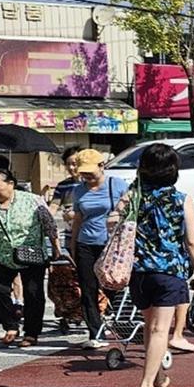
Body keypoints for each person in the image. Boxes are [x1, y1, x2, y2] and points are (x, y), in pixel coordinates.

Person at [108, 144, 194, 387]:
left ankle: (159, 378)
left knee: (151, 328)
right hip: (168, 271)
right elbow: (193, 241)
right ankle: (146, 386)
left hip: (138, 272)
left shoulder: (132, 196)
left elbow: (112, 222)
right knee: (160, 330)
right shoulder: (181, 199)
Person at [0, 169, 62, 348]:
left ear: (10, 184)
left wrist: (56, 247)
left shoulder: (32, 200)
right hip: (3, 257)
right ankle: (11, 326)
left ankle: (31, 333)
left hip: (32, 255)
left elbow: (49, 225)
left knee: (33, 294)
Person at [68, 149, 123, 348]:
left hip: (111, 244)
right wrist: (73, 245)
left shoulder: (117, 185)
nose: (87, 177)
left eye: (90, 172)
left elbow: (129, 212)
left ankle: (122, 323)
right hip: (86, 243)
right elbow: (78, 219)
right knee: (88, 289)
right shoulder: (78, 190)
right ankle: (96, 333)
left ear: (102, 166)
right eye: (84, 173)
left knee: (114, 285)